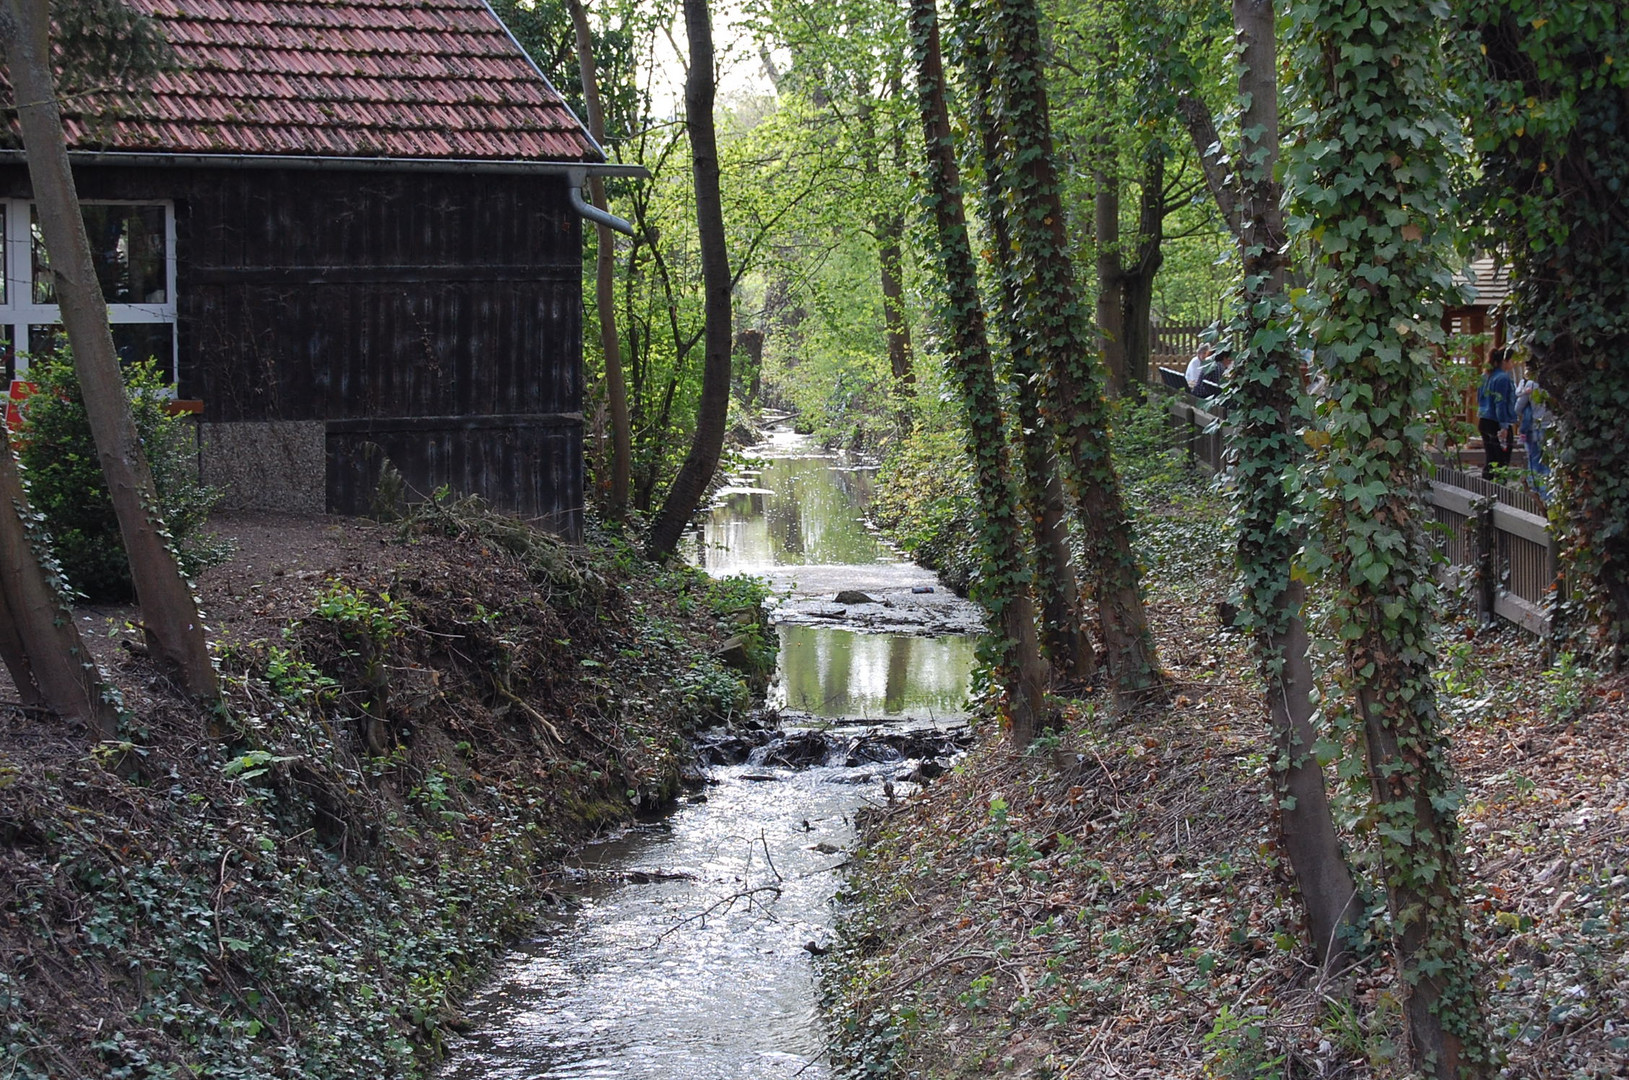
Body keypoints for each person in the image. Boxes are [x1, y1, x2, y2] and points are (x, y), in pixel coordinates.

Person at [1477, 347, 1518, 480]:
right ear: (1504, 361)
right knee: (1501, 460)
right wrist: (1504, 426)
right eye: (1511, 360)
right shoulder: (1502, 378)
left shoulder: (1485, 376)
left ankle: (1485, 489)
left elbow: (1479, 398)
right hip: (1496, 421)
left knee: (1490, 458)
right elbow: (1500, 403)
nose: (1513, 363)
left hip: (1484, 419)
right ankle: (1500, 490)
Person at [1516, 374, 1551, 497]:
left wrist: (1528, 411)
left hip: (1534, 427)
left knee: (1534, 460)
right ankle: (1548, 494)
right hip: (1552, 428)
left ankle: (1535, 492)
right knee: (1549, 461)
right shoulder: (1556, 383)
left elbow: (1517, 408)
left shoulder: (1531, 384)